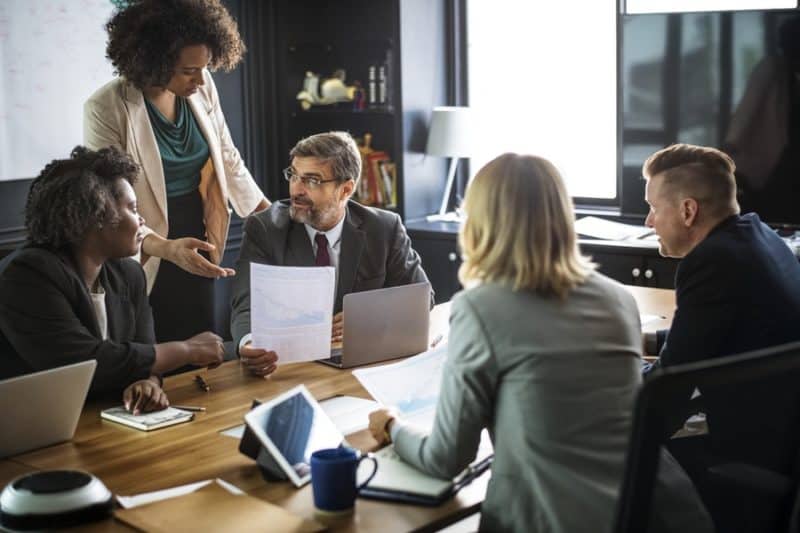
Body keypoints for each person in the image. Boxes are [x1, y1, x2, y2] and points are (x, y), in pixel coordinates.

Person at [368, 153, 711, 532]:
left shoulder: (480, 308)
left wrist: (392, 427)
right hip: (648, 513)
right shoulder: (618, 299)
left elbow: (445, 458)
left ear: (480, 222)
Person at [84, 0, 270, 343]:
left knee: (202, 339)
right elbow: (108, 203)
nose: (201, 79)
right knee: (156, 345)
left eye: (205, 67)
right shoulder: (106, 108)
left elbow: (228, 157)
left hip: (197, 229)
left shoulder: (202, 84)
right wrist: (165, 248)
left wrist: (271, 218)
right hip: (141, 238)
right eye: (189, 71)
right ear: (154, 61)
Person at [641, 143, 800, 530]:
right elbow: (713, 335)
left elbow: (668, 388)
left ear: (688, 210)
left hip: (744, 446)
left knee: (607, 449)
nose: (648, 222)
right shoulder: (761, 237)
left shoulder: (711, 263)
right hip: (781, 432)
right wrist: (646, 343)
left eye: (653, 207)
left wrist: (605, 392)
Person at [0, 146, 225, 414]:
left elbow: (142, 353)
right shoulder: (27, 275)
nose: (142, 220)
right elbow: (85, 363)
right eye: (132, 207)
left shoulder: (128, 274)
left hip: (100, 421)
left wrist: (147, 382)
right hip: (31, 427)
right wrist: (187, 350)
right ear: (94, 216)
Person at [230, 131, 431, 377]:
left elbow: (421, 299)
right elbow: (246, 303)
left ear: (345, 190)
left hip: (362, 366)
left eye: (312, 180)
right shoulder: (265, 228)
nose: (297, 189)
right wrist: (249, 343)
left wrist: (366, 317)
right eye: (293, 175)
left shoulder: (383, 229)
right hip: (291, 368)